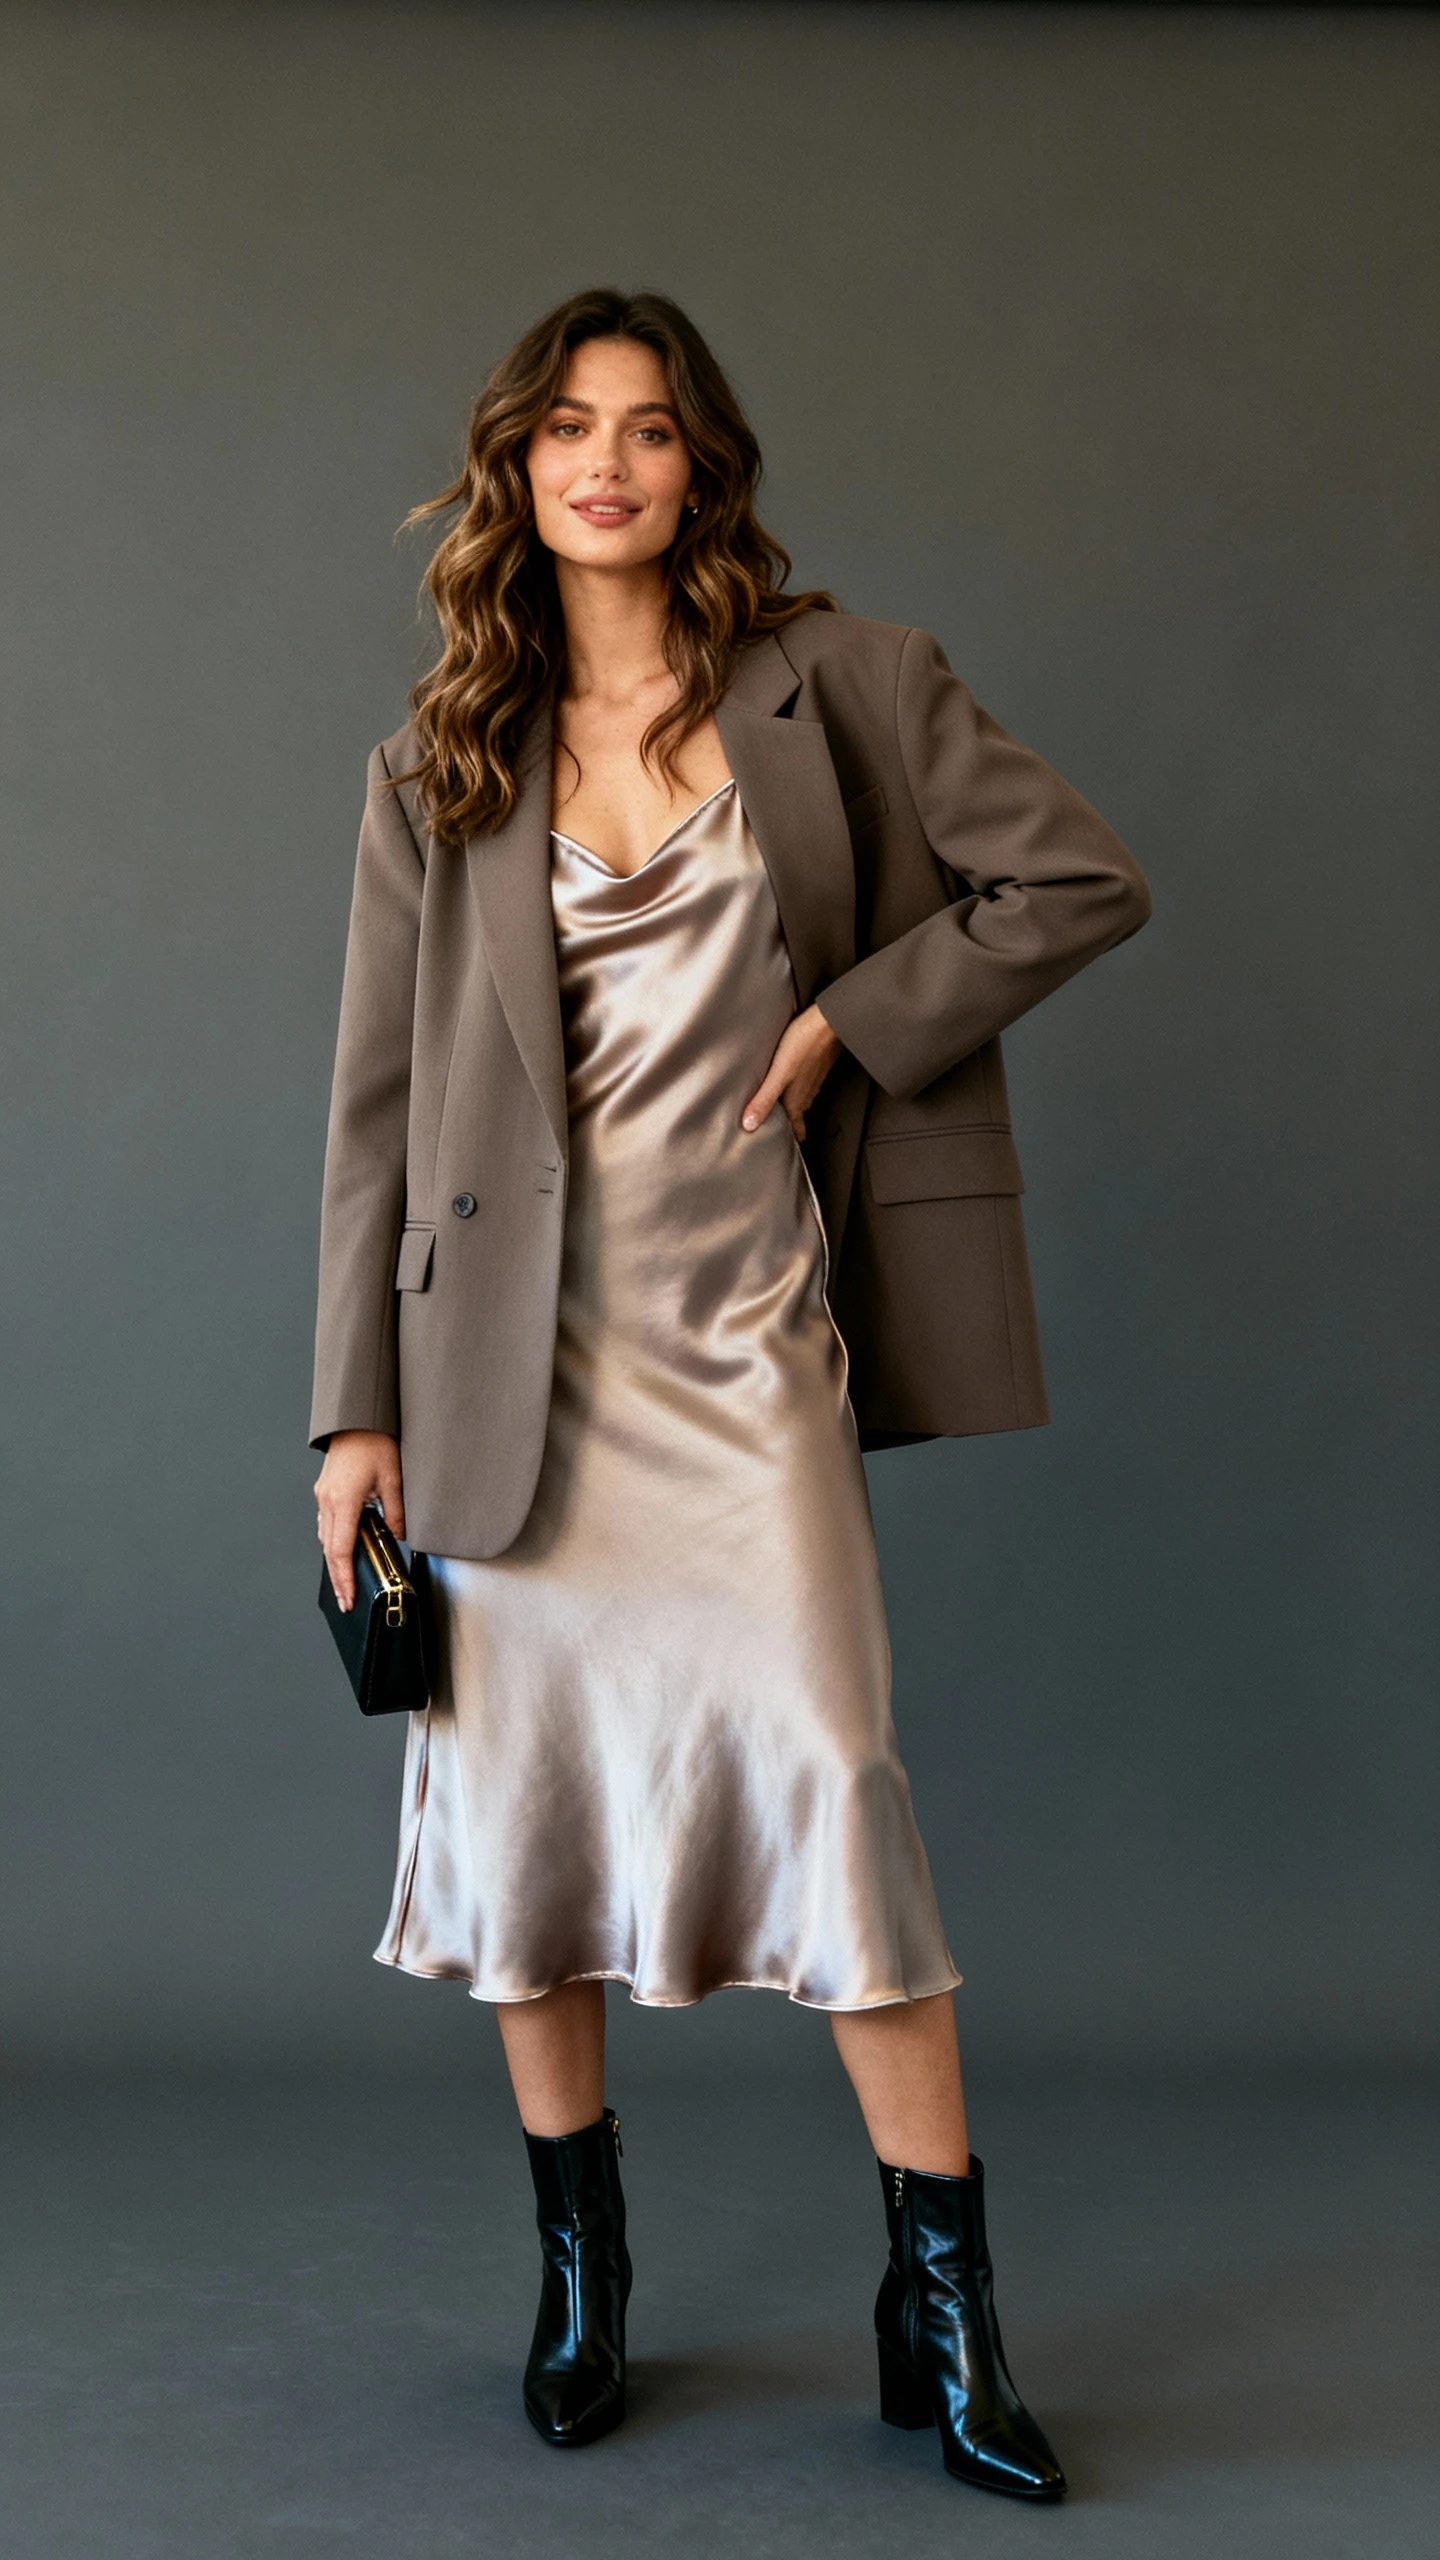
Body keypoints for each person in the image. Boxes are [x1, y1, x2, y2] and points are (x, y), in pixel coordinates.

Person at [311, 287, 1150, 2499]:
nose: (608, 462)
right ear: (516, 467)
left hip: (746, 1346)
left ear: (702, 468)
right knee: (528, 1817)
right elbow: (374, 1121)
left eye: (651, 429)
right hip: (508, 1372)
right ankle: (583, 2271)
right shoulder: (443, 757)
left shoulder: (841, 682)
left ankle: (949, 2303)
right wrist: (350, 1419)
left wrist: (861, 1015)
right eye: (569, 428)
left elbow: (1074, 874)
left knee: (836, 1785)